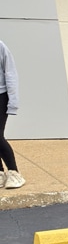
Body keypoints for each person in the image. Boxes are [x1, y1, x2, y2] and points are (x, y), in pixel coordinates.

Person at [0, 39, 25, 189]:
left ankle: (15, 173)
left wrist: (13, 102)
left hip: (1, 96)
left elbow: (10, 73)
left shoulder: (1, 46)